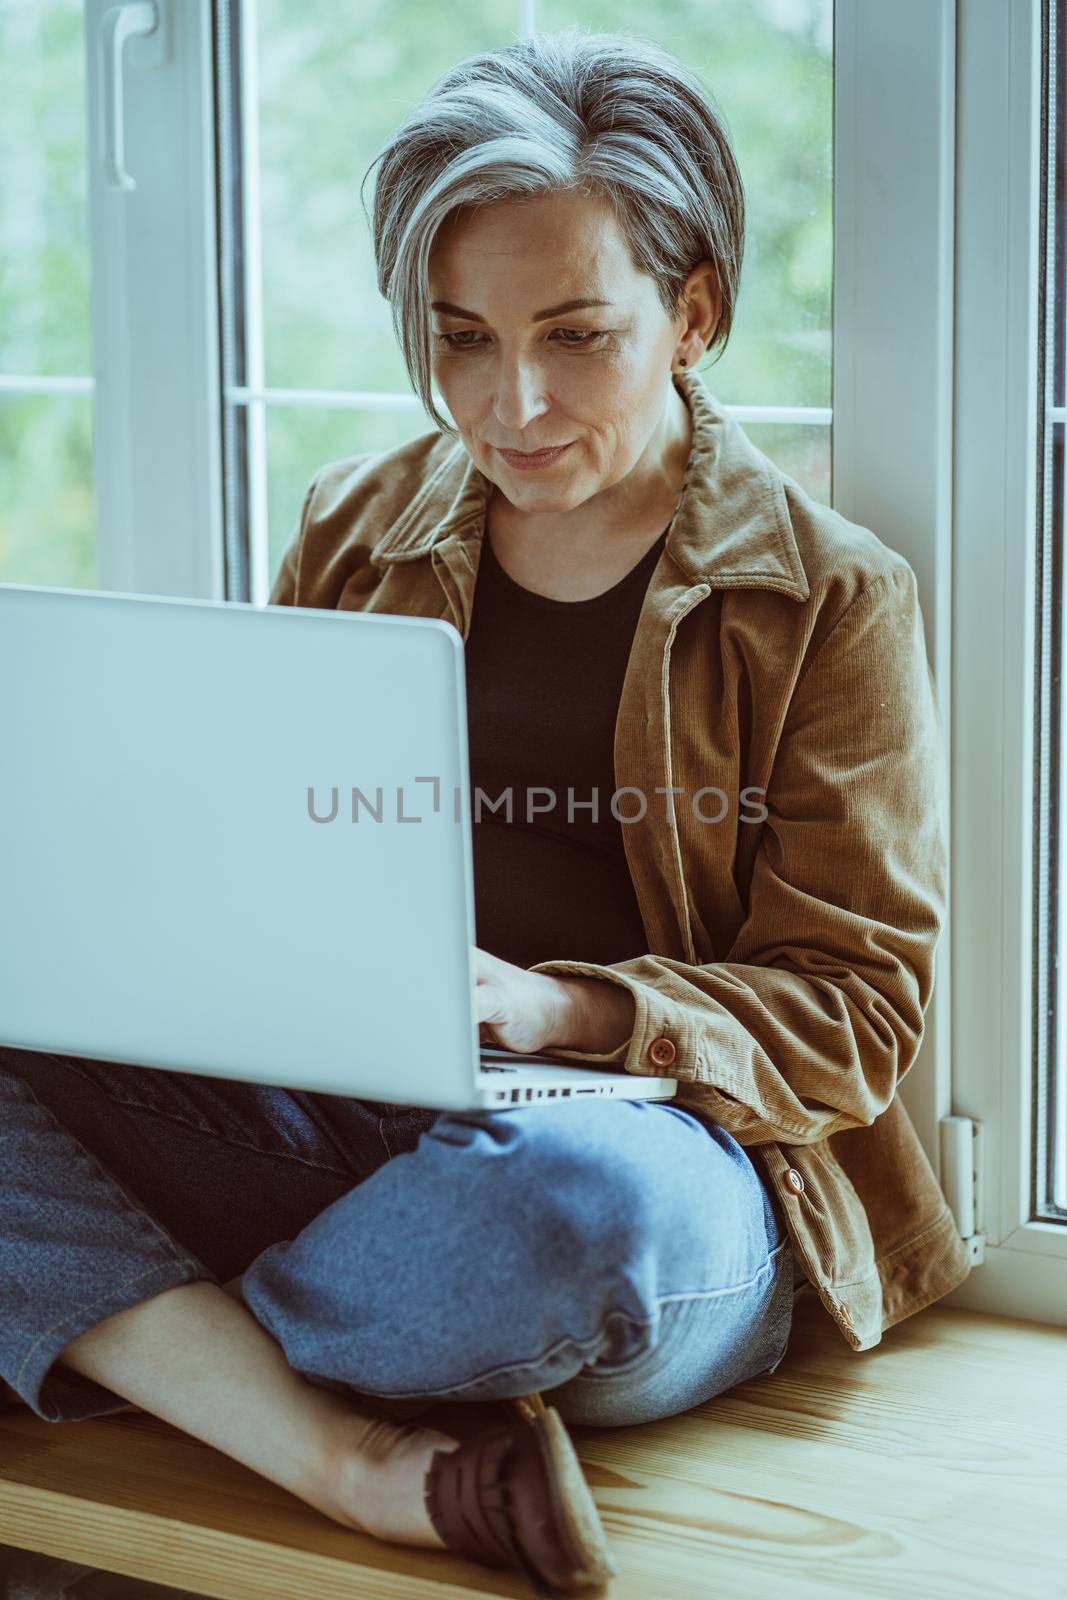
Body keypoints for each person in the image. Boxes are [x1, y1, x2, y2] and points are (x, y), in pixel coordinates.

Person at [0, 24, 970, 1594]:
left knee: (567, 1224)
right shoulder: (360, 526)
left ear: (694, 311)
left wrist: (567, 1010)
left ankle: (130, 1331)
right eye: (460, 339)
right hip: (357, 1134)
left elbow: (855, 1017)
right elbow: (257, 868)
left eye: (576, 335)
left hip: (668, 1167)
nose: (509, 403)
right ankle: (348, 1452)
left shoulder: (832, 597)